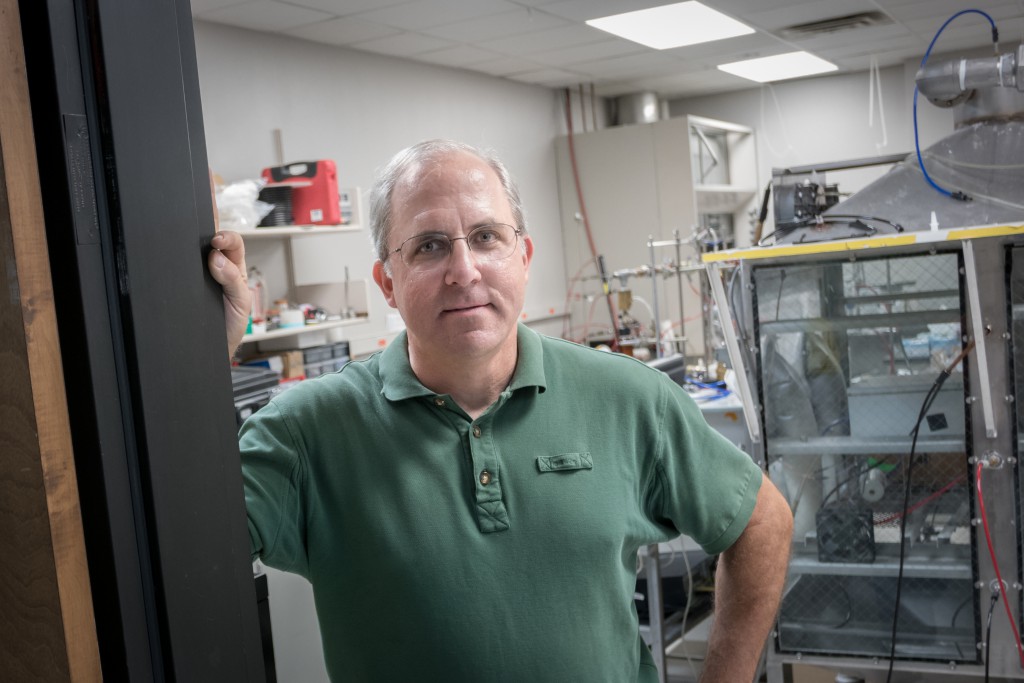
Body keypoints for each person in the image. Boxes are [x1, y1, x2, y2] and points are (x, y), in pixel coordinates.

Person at [207, 139, 793, 682]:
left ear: (523, 256)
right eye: (429, 246)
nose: (465, 271)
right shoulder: (306, 431)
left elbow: (761, 522)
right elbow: (179, 547)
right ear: (387, 282)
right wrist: (202, 361)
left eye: (487, 237)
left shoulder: (628, 397)